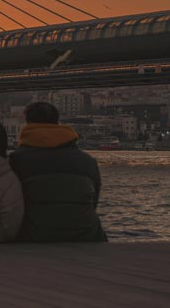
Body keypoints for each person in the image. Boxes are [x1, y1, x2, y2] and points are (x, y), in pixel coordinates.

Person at [10, 101, 108, 242]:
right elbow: (93, 203)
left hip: (33, 236)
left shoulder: (16, 161)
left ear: (27, 123)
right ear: (57, 121)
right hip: (86, 235)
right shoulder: (87, 161)